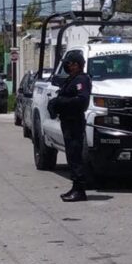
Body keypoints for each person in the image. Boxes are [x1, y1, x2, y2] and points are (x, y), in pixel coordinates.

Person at [50, 51, 92, 202]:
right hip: (67, 121)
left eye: (69, 64)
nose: (67, 66)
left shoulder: (82, 80)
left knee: (75, 155)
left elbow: (82, 101)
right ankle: (75, 187)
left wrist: (60, 102)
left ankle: (79, 190)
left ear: (76, 65)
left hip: (75, 122)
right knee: (71, 155)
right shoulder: (72, 79)